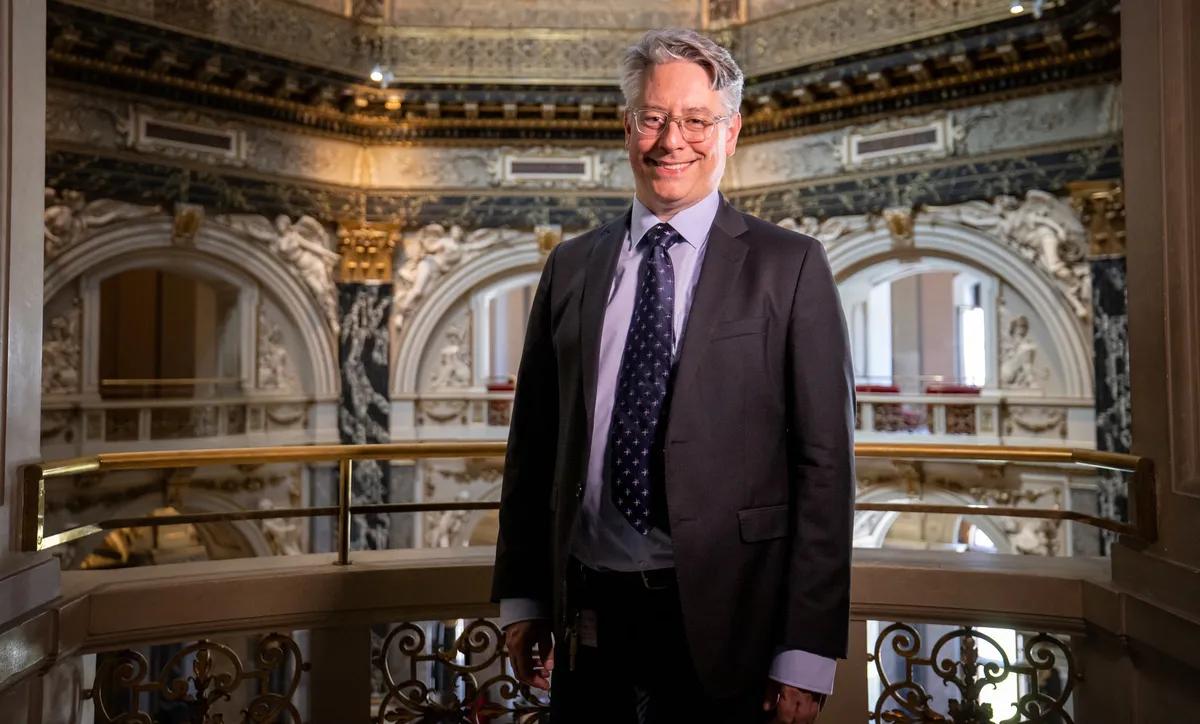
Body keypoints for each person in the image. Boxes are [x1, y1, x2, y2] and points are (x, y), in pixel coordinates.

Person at [491, 28, 855, 724]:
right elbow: (532, 445)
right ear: (628, 127)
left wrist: (805, 652)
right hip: (588, 612)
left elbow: (825, 466)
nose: (671, 142)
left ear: (731, 131)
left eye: (695, 121)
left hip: (730, 617)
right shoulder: (570, 266)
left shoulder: (791, 266)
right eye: (653, 119)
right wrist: (524, 598)